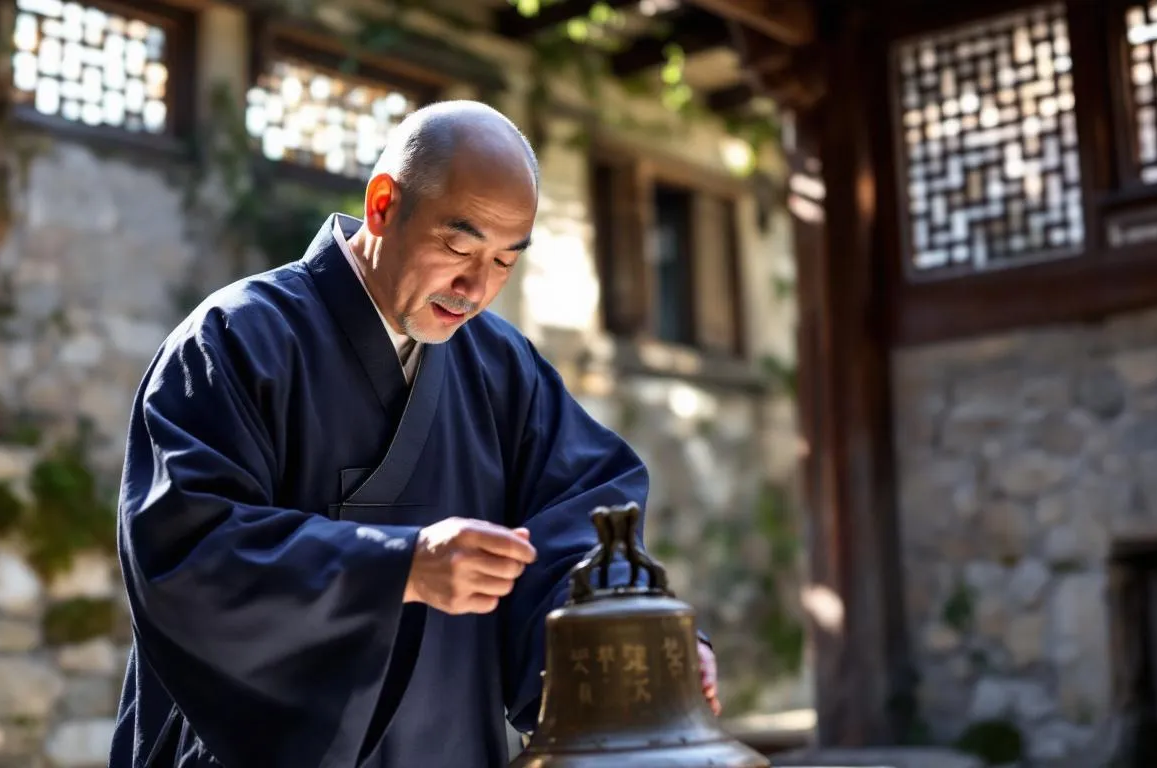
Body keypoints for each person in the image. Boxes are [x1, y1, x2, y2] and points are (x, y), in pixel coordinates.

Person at [108, 100, 720, 768]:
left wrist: (640, 637)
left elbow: (581, 519)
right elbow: (185, 553)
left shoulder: (502, 368)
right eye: (458, 247)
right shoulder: (234, 342)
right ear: (382, 205)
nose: (475, 287)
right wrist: (397, 567)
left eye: (504, 262)